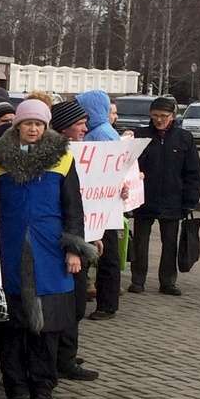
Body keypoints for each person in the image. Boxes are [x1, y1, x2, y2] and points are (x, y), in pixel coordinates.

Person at [0, 101, 95, 399]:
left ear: (46, 127)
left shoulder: (62, 159)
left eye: (39, 123)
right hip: (9, 250)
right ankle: (16, 388)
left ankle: (43, 387)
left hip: (49, 250)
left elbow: (73, 208)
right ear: (17, 126)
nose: (33, 128)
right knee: (12, 328)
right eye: (27, 123)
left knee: (47, 327)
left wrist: (74, 249)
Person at [44, 99, 100, 385]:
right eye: (80, 124)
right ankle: (59, 359)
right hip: (57, 243)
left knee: (75, 305)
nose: (85, 129)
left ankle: (65, 356)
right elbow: (70, 204)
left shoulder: (73, 153)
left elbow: (83, 199)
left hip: (76, 237)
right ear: (65, 127)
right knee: (67, 305)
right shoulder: (55, 156)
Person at [129, 96, 200, 297]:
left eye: (163, 116)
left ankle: (168, 281)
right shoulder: (140, 136)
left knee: (169, 243)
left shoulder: (184, 138)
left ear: (173, 116)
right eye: (155, 116)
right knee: (140, 243)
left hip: (173, 199)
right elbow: (129, 167)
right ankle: (138, 280)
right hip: (144, 199)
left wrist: (190, 201)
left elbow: (193, 173)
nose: (159, 120)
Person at [75, 89, 126, 319]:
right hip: (98, 203)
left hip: (102, 205)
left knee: (107, 254)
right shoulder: (100, 131)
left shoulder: (102, 135)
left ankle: (107, 303)